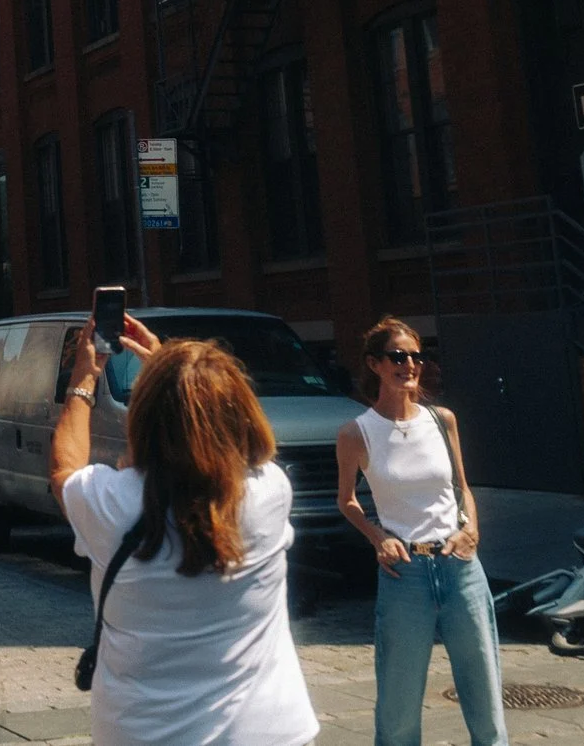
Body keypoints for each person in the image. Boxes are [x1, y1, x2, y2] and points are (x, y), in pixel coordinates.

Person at [49, 316, 316, 746]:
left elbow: (64, 468)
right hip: (270, 731)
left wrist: (84, 378)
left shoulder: (110, 504)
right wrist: (176, 373)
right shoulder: (270, 492)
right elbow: (237, 439)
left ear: (144, 420)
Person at [336, 317, 502, 746]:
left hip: (460, 567)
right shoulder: (357, 433)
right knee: (398, 703)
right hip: (404, 573)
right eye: (397, 356)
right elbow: (347, 500)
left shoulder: (442, 420)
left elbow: (461, 488)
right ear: (375, 365)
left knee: (484, 692)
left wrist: (472, 532)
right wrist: (378, 537)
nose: (409, 364)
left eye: (415, 356)